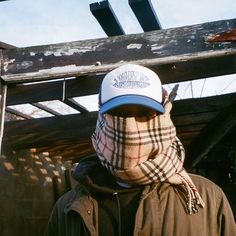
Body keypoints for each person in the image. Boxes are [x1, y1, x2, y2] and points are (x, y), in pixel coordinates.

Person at [45, 64, 236, 236]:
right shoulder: (67, 209)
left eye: (145, 114)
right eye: (120, 114)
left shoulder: (207, 197)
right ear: (102, 120)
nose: (130, 128)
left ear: (163, 117)